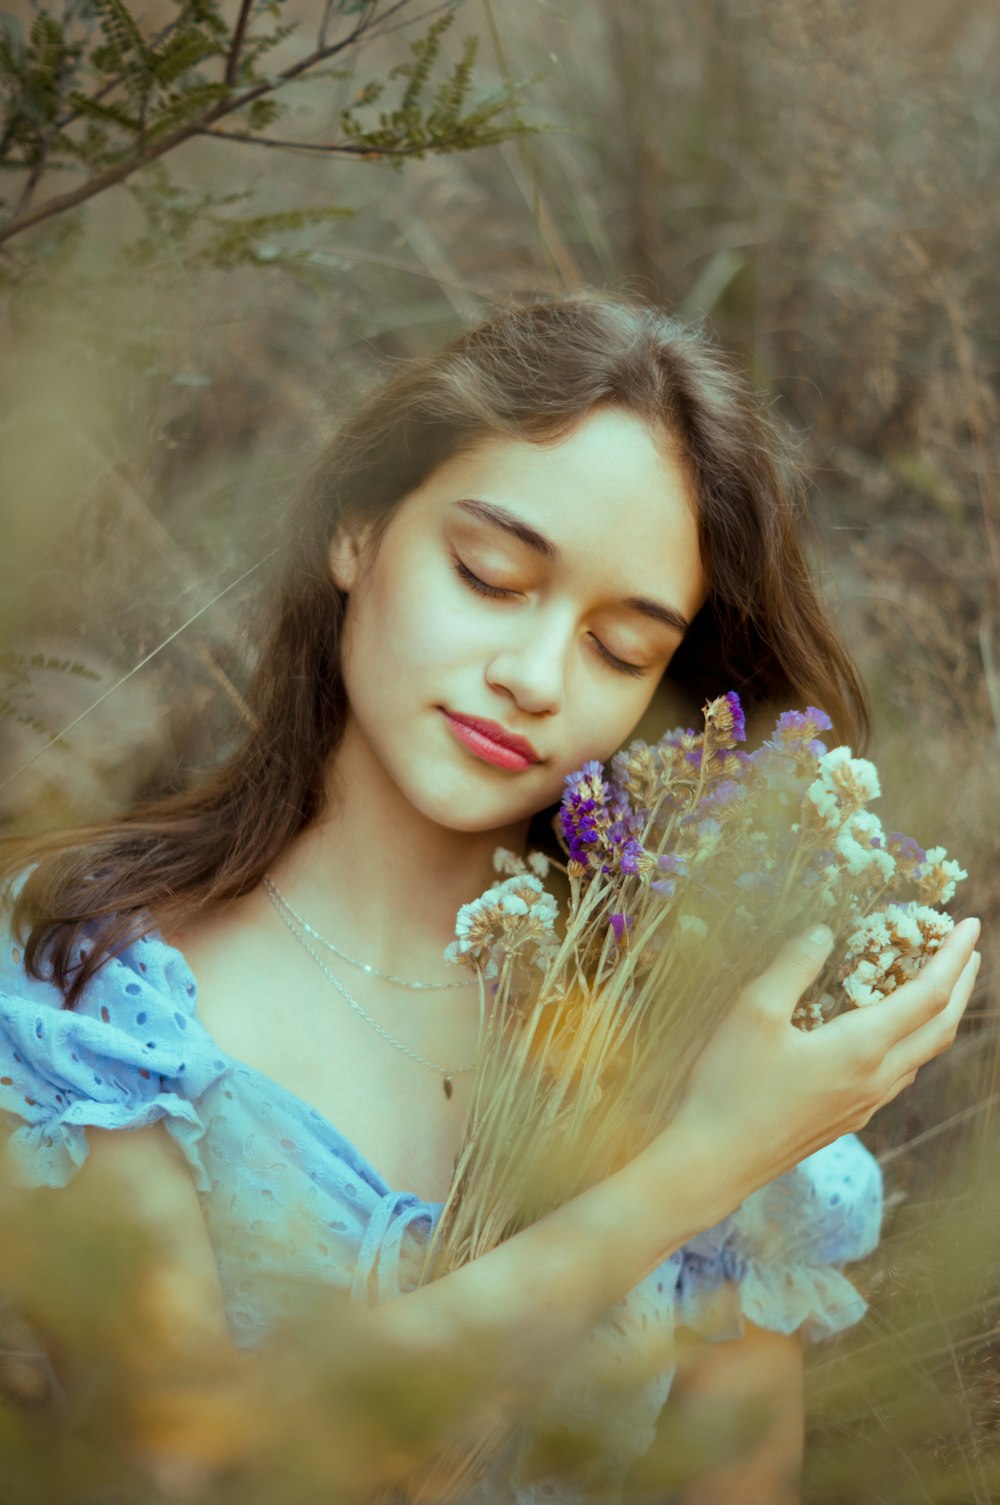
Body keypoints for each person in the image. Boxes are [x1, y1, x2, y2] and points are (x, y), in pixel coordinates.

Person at [0, 293, 981, 1504]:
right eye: (491, 575)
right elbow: (186, 1470)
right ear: (358, 530)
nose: (531, 677)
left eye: (622, 650)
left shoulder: (697, 1037)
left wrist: (741, 1134)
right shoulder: (99, 991)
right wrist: (701, 1160)